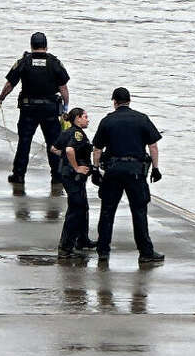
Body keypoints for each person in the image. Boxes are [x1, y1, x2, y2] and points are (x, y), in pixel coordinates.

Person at [91, 87, 164, 263]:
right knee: (139, 211)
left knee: (108, 211)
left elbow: (97, 149)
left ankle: (103, 250)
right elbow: (152, 146)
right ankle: (146, 252)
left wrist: (95, 170)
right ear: (129, 101)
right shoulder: (142, 119)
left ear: (114, 102)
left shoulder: (107, 121)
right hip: (135, 172)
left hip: (113, 170)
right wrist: (155, 168)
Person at [0, 32, 69, 190]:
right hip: (50, 109)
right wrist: (65, 108)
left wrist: (1, 98)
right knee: (54, 144)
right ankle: (57, 176)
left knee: (24, 142)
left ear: (31, 45)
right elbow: (63, 88)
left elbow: (10, 84)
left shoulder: (24, 61)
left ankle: (19, 175)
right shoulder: (55, 62)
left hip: (28, 108)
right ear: (46, 46)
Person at [55, 107, 99, 258]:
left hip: (67, 175)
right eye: (85, 117)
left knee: (83, 206)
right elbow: (69, 150)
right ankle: (65, 247)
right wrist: (76, 167)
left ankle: (82, 240)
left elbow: (54, 148)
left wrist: (65, 161)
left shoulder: (67, 132)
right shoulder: (78, 134)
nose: (87, 119)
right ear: (78, 118)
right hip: (73, 177)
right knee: (76, 209)